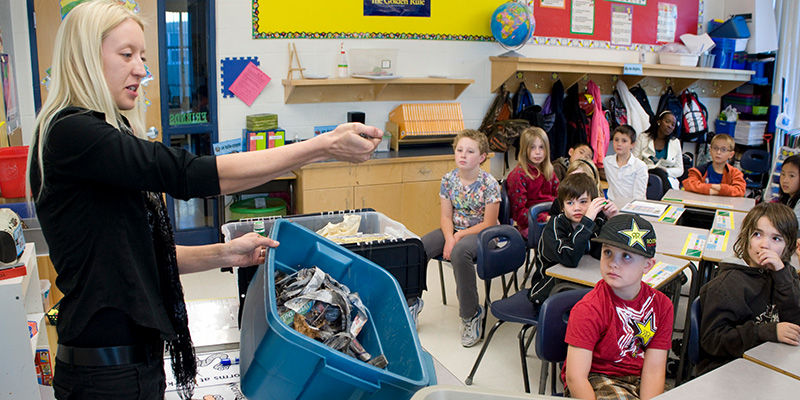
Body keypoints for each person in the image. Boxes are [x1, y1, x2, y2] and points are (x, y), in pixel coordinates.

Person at [25, 2, 382, 399]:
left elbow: (142, 256)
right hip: (104, 374)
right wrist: (320, 146)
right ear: (86, 58)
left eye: (142, 56)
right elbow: (188, 174)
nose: (142, 69)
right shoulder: (72, 134)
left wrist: (228, 253)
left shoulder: (104, 136)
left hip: (134, 363)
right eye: (126, 55)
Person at [563, 214, 674, 400]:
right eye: (608, 252)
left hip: (638, 376)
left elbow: (654, 371)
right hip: (596, 378)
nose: (613, 263)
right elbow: (575, 378)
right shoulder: (588, 309)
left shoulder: (662, 306)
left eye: (626, 256)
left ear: (647, 265)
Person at [697, 203, 800, 375]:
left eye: (776, 238)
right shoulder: (726, 285)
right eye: (757, 234)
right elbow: (713, 340)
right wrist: (768, 331)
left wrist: (782, 276)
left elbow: (796, 320)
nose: (764, 245)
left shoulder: (785, 274)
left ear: (787, 246)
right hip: (729, 369)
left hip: (771, 361)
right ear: (746, 238)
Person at [420, 129, 500, 348]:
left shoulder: (489, 184)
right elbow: (446, 216)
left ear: (482, 157)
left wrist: (457, 237)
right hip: (454, 229)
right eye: (459, 150)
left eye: (470, 151)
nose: (463, 155)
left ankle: (471, 314)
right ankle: (412, 302)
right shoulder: (449, 179)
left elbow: (489, 223)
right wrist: (449, 237)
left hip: (483, 234)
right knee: (419, 247)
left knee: (459, 252)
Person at [527, 173, 618, 307]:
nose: (577, 208)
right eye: (570, 203)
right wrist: (587, 221)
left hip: (580, 280)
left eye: (583, 202)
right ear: (562, 208)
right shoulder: (554, 226)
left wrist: (612, 220)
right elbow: (570, 259)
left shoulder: (596, 220)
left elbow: (602, 253)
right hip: (550, 288)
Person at [506, 127, 559, 239]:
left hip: (552, 218)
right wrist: (544, 218)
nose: (538, 152)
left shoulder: (549, 172)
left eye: (541, 147)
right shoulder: (518, 176)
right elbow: (519, 214)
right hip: (530, 224)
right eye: (532, 148)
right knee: (557, 237)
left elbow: (560, 197)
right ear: (525, 150)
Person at [633, 110, 684, 195]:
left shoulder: (675, 142)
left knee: (660, 173)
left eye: (673, 125)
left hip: (667, 177)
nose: (669, 126)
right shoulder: (643, 137)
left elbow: (680, 170)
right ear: (659, 121)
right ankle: (670, 197)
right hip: (646, 173)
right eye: (667, 122)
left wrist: (666, 171)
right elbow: (635, 161)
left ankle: (669, 197)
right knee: (658, 172)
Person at [604, 125, 648, 202]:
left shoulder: (640, 166)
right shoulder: (607, 162)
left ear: (632, 144)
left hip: (632, 206)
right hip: (612, 206)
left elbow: (639, 195)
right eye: (616, 140)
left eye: (624, 141)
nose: (619, 144)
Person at [776, 154, 800, 228]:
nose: (785, 180)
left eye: (791, 176)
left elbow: (789, 227)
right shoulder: (790, 198)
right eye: (783, 174)